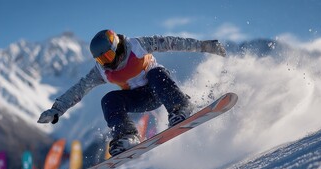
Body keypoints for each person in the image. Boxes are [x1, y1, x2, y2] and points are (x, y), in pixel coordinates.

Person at [38, 29, 226, 156]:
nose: (107, 62)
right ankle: (127, 135)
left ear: (117, 47)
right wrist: (57, 109)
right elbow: (79, 89)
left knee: (155, 73)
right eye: (102, 59)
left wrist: (205, 46)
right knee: (109, 99)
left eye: (108, 56)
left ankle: (180, 107)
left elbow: (173, 43)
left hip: (160, 88)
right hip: (140, 99)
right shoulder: (102, 70)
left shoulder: (137, 46)